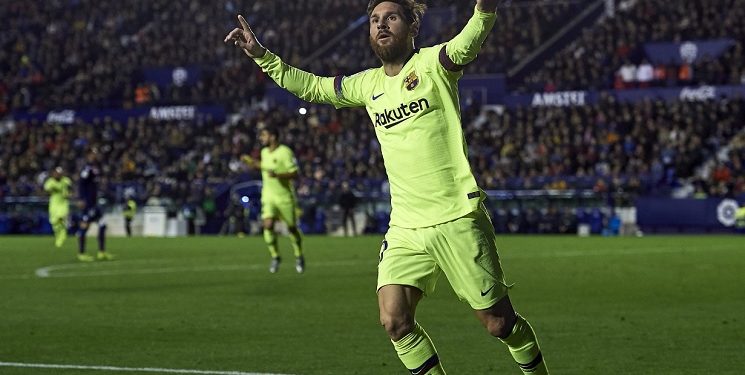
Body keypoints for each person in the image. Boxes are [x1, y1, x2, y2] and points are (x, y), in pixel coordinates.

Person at [224, 0, 549, 373]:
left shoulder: (433, 64)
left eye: (390, 17)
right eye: (374, 20)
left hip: (456, 216)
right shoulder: (367, 84)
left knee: (499, 324)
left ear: (412, 26)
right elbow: (313, 87)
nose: (381, 25)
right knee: (394, 321)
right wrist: (261, 55)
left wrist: (485, 11)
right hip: (405, 227)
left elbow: (467, 42)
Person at [241, 127, 305, 274]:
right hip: (268, 196)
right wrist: (250, 161)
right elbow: (263, 166)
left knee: (291, 228)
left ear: (273, 136)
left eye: (264, 135)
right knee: (268, 225)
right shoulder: (264, 152)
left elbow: (294, 173)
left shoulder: (285, 152)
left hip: (284, 197)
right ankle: (275, 256)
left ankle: (299, 255)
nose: (261, 138)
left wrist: (278, 175)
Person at [77, 151, 113, 261]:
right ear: (88, 156)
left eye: (96, 154)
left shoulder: (96, 168)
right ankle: (81, 253)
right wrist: (81, 199)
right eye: (92, 154)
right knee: (84, 226)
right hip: (87, 203)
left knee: (102, 225)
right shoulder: (87, 169)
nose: (95, 156)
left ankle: (101, 252)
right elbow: (80, 183)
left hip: (94, 203)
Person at [43, 167, 72, 248]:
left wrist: (69, 194)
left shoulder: (66, 180)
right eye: (56, 173)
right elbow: (46, 190)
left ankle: (63, 234)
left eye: (59, 173)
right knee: (54, 221)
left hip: (63, 202)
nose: (58, 175)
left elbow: (71, 189)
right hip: (54, 203)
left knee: (61, 218)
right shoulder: (50, 182)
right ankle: (58, 236)